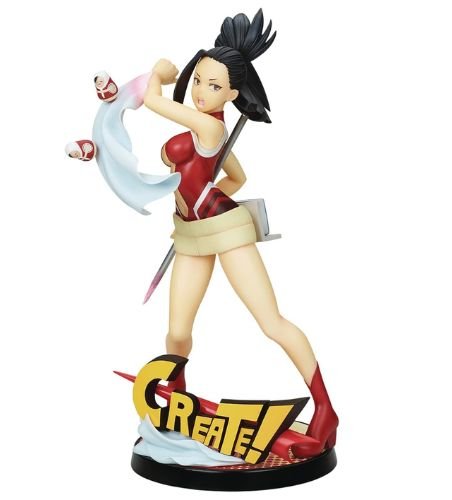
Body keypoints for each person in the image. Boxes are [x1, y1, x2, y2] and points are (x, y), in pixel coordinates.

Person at [143, 9, 338, 459]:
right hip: (191, 234)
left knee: (271, 322)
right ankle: (177, 403)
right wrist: (199, 198)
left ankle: (326, 407)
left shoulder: (210, 126)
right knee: (177, 334)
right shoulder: (205, 130)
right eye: (197, 80)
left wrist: (158, 73)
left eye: (213, 86)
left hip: (227, 230)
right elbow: (237, 177)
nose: (200, 91)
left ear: (232, 93)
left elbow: (152, 100)